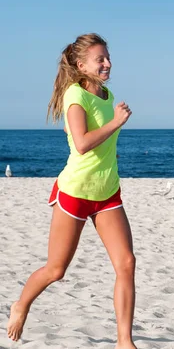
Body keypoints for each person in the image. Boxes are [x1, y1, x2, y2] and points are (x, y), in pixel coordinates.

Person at [7, 33, 137, 349]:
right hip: (75, 192)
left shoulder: (107, 95)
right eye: (100, 59)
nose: (107, 63)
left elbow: (93, 139)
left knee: (127, 263)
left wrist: (110, 151)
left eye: (108, 57)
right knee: (56, 270)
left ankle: (124, 341)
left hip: (107, 191)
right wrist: (115, 124)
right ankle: (21, 304)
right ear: (81, 65)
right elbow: (80, 144)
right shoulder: (74, 96)